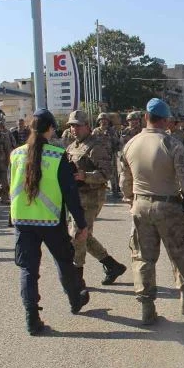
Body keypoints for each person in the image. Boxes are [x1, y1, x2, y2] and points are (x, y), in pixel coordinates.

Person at [120, 98, 184, 325]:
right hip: (168, 206)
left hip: (140, 206)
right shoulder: (172, 144)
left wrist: (130, 200)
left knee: (142, 257)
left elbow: (124, 181)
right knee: (179, 252)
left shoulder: (130, 144)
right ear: (166, 121)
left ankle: (147, 308)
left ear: (146, 117)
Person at [10, 109, 90, 335]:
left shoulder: (16, 154)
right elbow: (70, 193)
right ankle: (75, 300)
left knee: (28, 269)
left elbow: (11, 185)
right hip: (50, 220)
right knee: (64, 261)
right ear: (51, 129)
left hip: (22, 219)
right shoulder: (57, 155)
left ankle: (31, 318)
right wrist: (81, 223)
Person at [65, 109, 128, 288]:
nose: (74, 129)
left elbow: (107, 173)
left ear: (87, 126)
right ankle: (112, 265)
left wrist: (85, 176)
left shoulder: (96, 146)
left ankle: (77, 279)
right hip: (76, 197)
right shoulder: (72, 146)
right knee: (84, 235)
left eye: (78, 126)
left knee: (78, 235)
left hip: (91, 196)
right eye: (72, 126)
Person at [92, 112, 122, 197]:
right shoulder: (95, 131)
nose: (104, 121)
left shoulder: (112, 131)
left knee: (113, 173)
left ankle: (115, 191)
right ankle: (100, 191)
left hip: (110, 155)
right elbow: (91, 142)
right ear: (99, 121)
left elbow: (117, 142)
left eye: (105, 120)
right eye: (102, 120)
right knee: (99, 172)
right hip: (99, 156)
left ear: (108, 121)